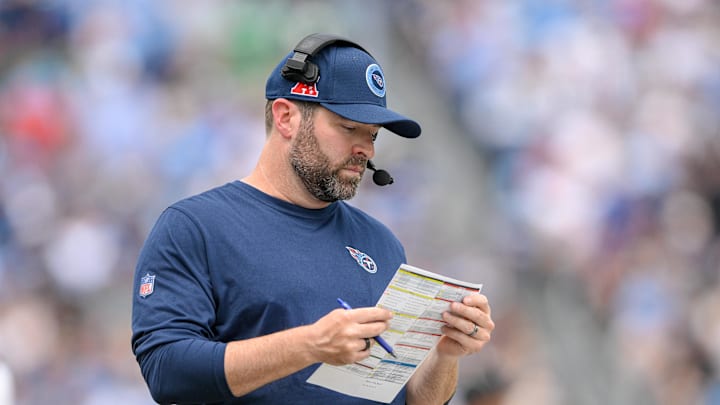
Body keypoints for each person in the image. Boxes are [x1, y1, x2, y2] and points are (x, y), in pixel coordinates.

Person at [131, 33, 494, 405]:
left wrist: (446, 354)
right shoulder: (195, 226)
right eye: (348, 127)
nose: (365, 149)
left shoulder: (381, 243)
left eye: (372, 135)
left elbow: (412, 398)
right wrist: (310, 344)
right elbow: (167, 371)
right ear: (286, 116)